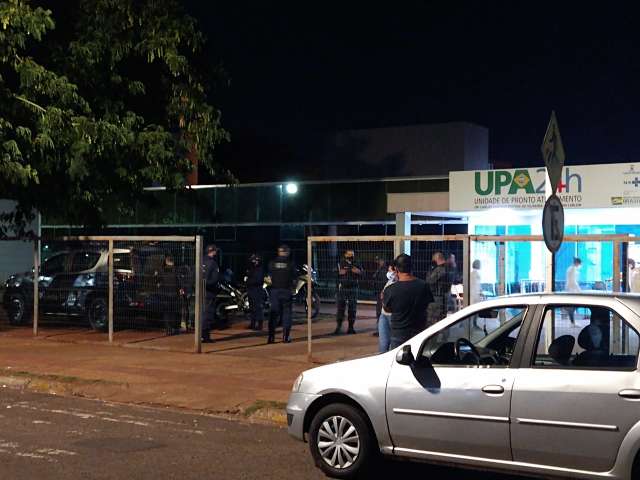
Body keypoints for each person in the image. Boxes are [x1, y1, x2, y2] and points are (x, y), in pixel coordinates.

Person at [383, 254, 434, 349]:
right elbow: (426, 305)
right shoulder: (423, 286)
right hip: (419, 331)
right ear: (412, 267)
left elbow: (387, 309)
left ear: (396, 269)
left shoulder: (390, 289)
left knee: (397, 357)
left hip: (399, 333)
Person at [268, 245, 296, 344]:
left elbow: (269, 278)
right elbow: (294, 278)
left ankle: (271, 337)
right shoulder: (290, 264)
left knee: (273, 314)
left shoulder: (272, 263)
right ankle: (285, 337)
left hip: (275, 291)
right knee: (286, 314)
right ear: (287, 252)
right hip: (286, 291)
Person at [335, 249, 363, 335]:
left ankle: (351, 327)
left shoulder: (357, 263)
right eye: (349, 254)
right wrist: (340, 273)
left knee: (352, 308)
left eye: (352, 255)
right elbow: (335, 274)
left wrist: (358, 271)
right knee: (340, 308)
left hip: (353, 288)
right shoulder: (341, 263)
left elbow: (362, 273)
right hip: (343, 288)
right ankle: (339, 327)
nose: (351, 256)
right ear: (345, 255)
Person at [159, 254, 182, 336]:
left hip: (165, 294)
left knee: (167, 312)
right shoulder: (176, 270)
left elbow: (159, 282)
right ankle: (175, 328)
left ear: (166, 261)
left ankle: (168, 329)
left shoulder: (162, 270)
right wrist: (180, 289)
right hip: (174, 293)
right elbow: (179, 281)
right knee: (175, 311)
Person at [202, 244, 220, 343]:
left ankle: (202, 335)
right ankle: (205, 336)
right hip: (209, 292)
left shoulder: (200, 261)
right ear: (212, 252)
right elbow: (215, 279)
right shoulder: (213, 263)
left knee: (201, 313)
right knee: (207, 313)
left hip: (199, 291)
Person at [378, 264, 397, 353]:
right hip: (384, 314)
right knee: (383, 344)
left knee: (393, 345)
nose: (388, 273)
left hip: (393, 316)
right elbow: (382, 294)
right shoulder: (390, 281)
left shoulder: (400, 282)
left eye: (390, 271)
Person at [426, 251, 449, 327]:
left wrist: (430, 271)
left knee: (433, 322)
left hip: (437, 298)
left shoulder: (439, 269)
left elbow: (429, 281)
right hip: (444, 297)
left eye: (434, 260)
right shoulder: (448, 268)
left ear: (437, 259)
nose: (433, 262)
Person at [245, 253, 265, 330]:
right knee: (252, 308)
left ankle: (260, 325)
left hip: (257, 290)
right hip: (251, 290)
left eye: (254, 260)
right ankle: (252, 324)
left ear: (257, 261)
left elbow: (258, 280)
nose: (252, 261)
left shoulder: (259, 269)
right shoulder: (252, 268)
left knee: (258, 307)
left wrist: (248, 281)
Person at [372, 257, 388, 337]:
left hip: (382, 293)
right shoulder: (379, 269)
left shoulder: (384, 270)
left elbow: (382, 282)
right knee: (379, 312)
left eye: (380, 260)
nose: (378, 262)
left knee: (380, 312)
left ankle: (380, 330)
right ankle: (379, 329)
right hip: (379, 293)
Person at [565, 257, 581, 325]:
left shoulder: (570, 268)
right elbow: (573, 281)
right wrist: (579, 290)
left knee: (572, 306)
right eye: (580, 264)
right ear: (577, 263)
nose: (580, 266)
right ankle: (572, 322)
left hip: (571, 289)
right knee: (574, 306)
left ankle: (572, 322)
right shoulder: (573, 269)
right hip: (572, 290)